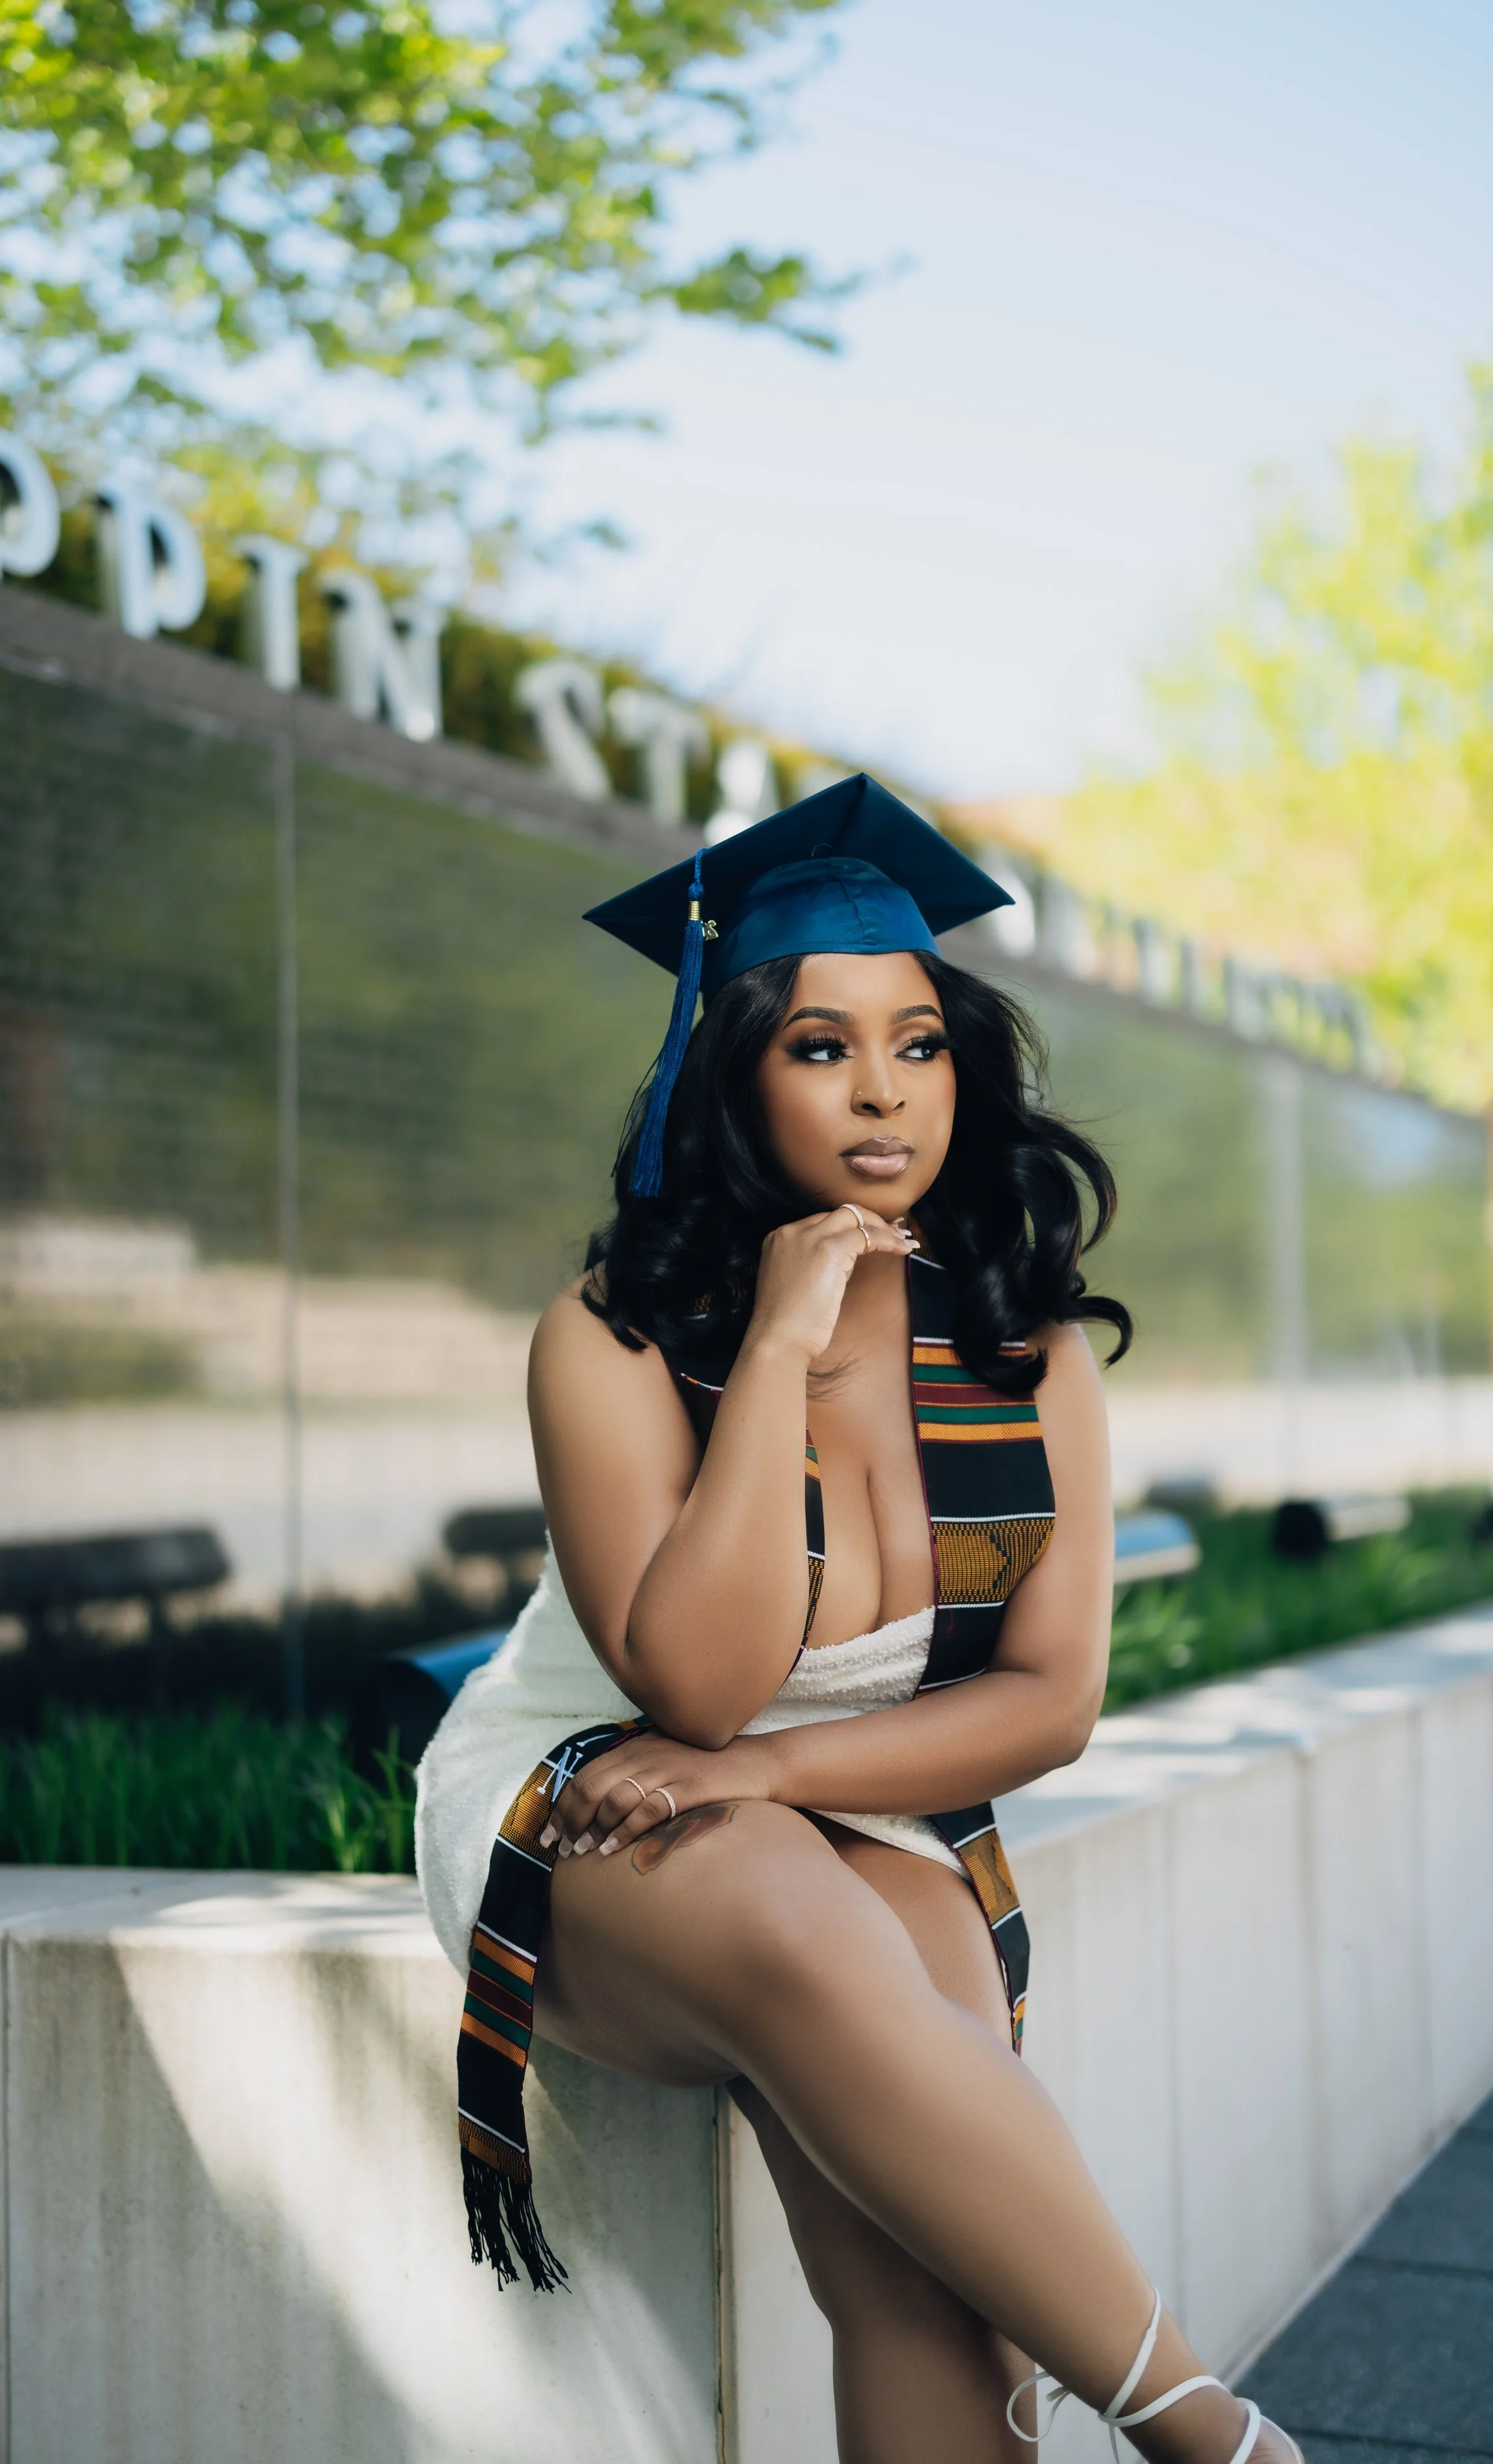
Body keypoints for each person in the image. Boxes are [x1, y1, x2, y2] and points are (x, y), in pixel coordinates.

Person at [415, 776, 1302, 2464]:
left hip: (838, 1791)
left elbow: (1045, 1701)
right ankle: (1217, 2435)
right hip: (588, 1782)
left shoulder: (1021, 1352)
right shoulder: (612, 1339)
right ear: (732, 1070)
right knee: (809, 1930)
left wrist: (762, 1772)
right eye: (819, 1045)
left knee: (927, 2275)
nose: (883, 1088)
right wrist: (774, 1343)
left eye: (919, 1041)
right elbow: (691, 1678)